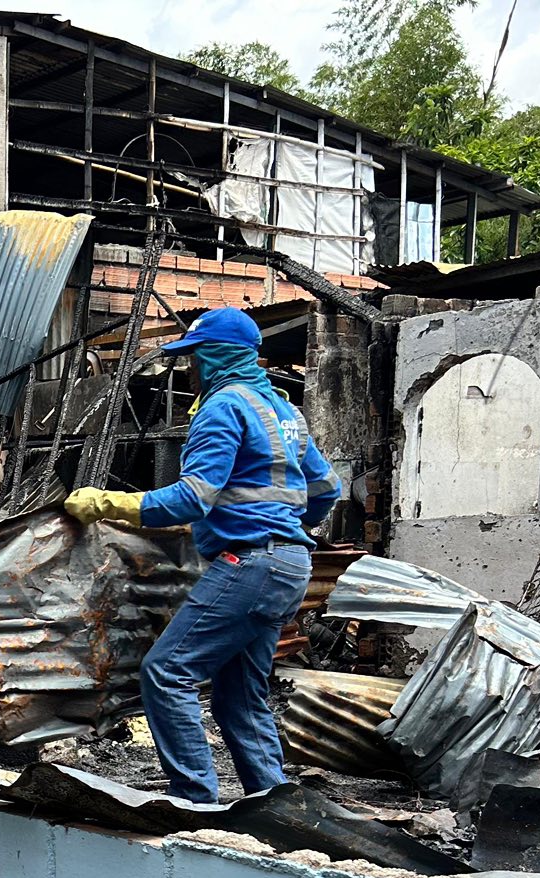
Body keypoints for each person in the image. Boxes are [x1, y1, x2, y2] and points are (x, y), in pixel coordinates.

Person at [64, 307, 340, 805]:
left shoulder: (221, 409)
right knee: (240, 698)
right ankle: (275, 808)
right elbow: (326, 489)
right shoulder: (283, 410)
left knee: (167, 672)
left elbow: (192, 499)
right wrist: (284, 526)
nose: (188, 369)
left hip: (249, 565)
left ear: (212, 357)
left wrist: (106, 503)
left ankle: (195, 803)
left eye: (191, 357)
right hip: (289, 566)